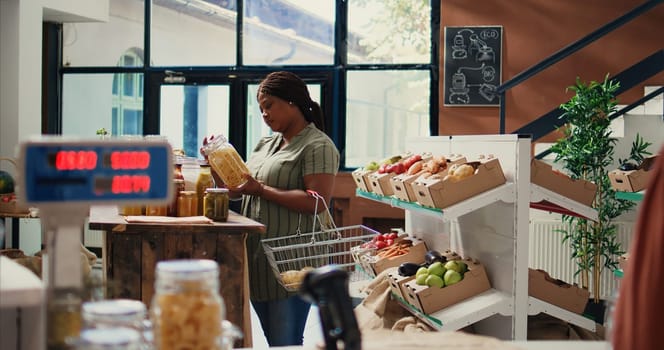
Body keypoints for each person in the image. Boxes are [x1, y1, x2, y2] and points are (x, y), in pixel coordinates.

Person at [202, 71, 340, 346]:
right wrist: (214, 163)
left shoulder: (318, 145)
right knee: (272, 339)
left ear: (292, 102)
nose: (264, 114)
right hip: (258, 259)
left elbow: (317, 201)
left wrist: (261, 189)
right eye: (261, 108)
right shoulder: (266, 144)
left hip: (293, 261)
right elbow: (236, 189)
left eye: (269, 105)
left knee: (284, 341)